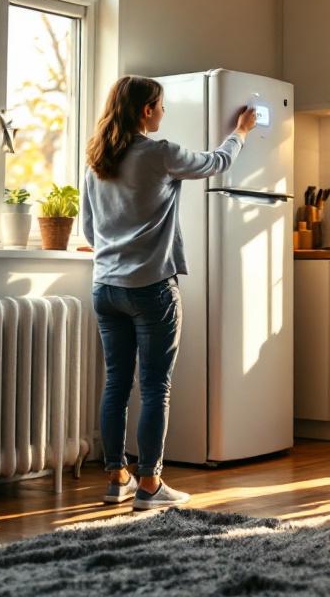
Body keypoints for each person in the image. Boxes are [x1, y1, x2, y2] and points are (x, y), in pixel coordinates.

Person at [81, 75, 256, 510]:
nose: (164, 112)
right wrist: (241, 132)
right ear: (146, 110)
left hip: (106, 287)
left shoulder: (96, 161)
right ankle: (149, 484)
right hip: (151, 288)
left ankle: (116, 477)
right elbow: (216, 163)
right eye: (160, 105)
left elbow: (89, 229)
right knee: (155, 386)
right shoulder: (159, 153)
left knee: (116, 383)